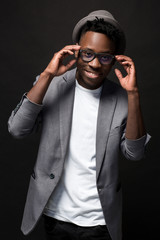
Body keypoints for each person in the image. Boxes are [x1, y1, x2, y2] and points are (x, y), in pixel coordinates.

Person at [8, 10, 150, 240]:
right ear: (76, 50)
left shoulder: (122, 99)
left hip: (99, 221)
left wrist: (133, 94)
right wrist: (47, 75)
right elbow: (17, 129)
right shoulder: (51, 86)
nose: (94, 64)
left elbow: (135, 154)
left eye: (104, 57)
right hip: (55, 215)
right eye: (87, 54)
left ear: (114, 59)